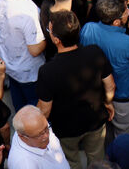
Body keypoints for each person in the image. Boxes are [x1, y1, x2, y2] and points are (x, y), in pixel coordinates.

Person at [37, 10, 113, 168]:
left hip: (66, 129)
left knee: (71, 161)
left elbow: (45, 109)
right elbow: (110, 84)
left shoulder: (47, 71)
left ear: (56, 40)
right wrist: (108, 102)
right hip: (95, 120)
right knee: (97, 159)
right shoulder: (95, 52)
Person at [79, 0, 129, 135]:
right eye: (126, 10)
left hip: (98, 96)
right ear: (117, 21)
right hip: (123, 102)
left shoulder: (88, 29)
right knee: (124, 140)